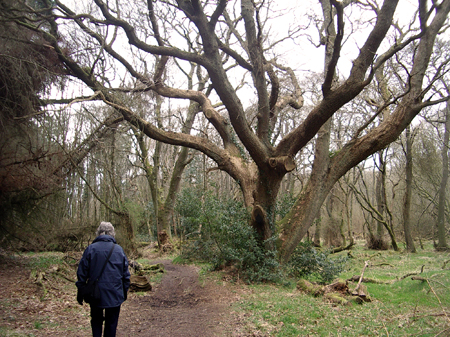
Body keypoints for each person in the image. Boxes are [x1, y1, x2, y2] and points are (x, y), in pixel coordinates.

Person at [76, 222, 131, 337]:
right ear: (112, 233)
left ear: (98, 233)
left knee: (96, 321)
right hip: (114, 293)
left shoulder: (90, 249)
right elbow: (125, 274)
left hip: (95, 294)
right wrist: (124, 292)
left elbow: (82, 272)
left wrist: (80, 290)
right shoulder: (119, 250)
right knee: (111, 323)